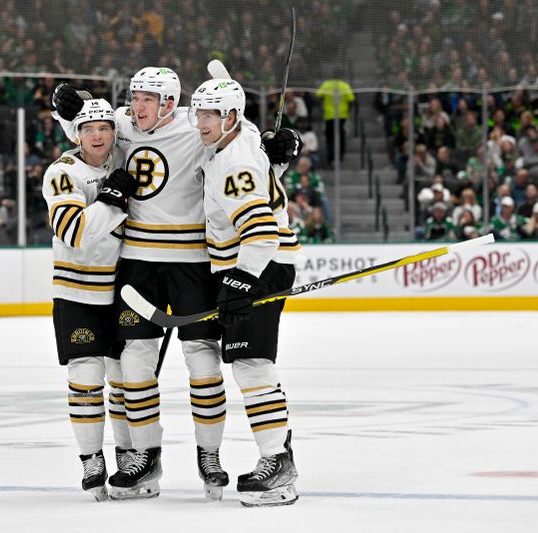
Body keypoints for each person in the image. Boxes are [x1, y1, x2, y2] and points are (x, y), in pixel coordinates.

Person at [52, 68, 225, 500]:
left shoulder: (194, 124)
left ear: (170, 103)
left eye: (148, 99)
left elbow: (237, 138)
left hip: (191, 263)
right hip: (137, 265)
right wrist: (63, 106)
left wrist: (275, 151)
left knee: (203, 361)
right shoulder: (121, 123)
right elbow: (85, 127)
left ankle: (210, 455)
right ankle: (145, 455)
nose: (137, 107)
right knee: (132, 366)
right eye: (134, 97)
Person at [188, 77, 302, 507]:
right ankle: (279, 454)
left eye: (208, 115)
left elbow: (261, 232)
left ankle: (277, 462)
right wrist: (278, 162)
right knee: (250, 365)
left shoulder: (234, 164)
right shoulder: (245, 135)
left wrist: (240, 280)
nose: (199, 122)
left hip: (258, 265)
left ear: (231, 117)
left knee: (252, 365)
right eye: (197, 113)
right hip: (249, 267)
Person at [41, 99, 133, 501]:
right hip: (77, 293)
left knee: (128, 381)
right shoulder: (62, 173)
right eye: (89, 128)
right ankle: (91, 458)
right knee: (85, 381)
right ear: (75, 133)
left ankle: (130, 455)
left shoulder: (123, 160)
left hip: (121, 289)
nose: (98, 135)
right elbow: (74, 232)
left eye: (105, 127)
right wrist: (112, 201)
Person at [315, 68, 355, 165]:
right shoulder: (344, 85)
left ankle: (331, 157)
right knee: (341, 135)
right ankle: (340, 156)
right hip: (342, 115)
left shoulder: (326, 85)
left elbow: (317, 95)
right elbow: (351, 98)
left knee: (330, 136)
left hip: (329, 115)